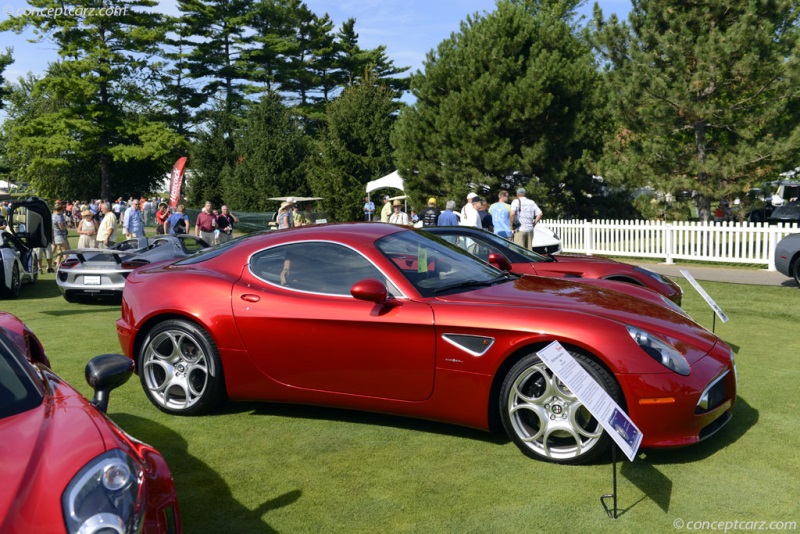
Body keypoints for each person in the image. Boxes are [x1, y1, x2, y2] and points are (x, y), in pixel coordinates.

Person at [51, 201, 70, 268]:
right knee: (64, 249)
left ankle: (57, 263)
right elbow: (61, 228)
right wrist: (67, 226)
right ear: (60, 210)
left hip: (55, 235)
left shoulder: (52, 215)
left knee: (59, 250)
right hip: (59, 235)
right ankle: (66, 263)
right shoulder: (58, 217)